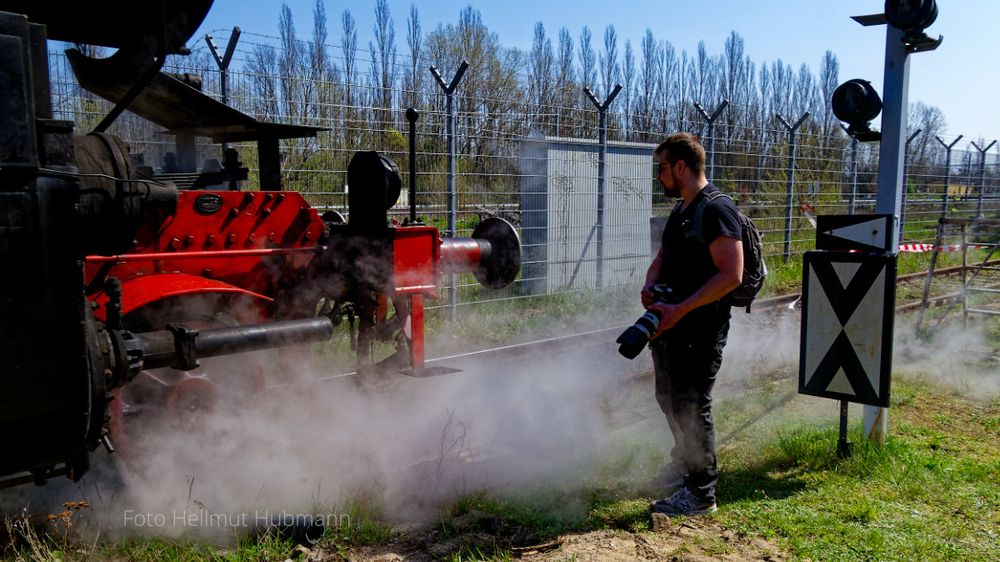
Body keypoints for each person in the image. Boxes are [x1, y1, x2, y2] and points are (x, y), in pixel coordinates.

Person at [644, 133, 743, 517]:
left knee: (692, 405)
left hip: (698, 329)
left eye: (663, 169)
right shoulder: (682, 209)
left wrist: (681, 308)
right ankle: (684, 465)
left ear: (681, 167)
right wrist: (651, 285)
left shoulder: (716, 210)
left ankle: (701, 493)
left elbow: (732, 275)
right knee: (668, 397)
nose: (660, 177)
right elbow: (664, 254)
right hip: (670, 326)